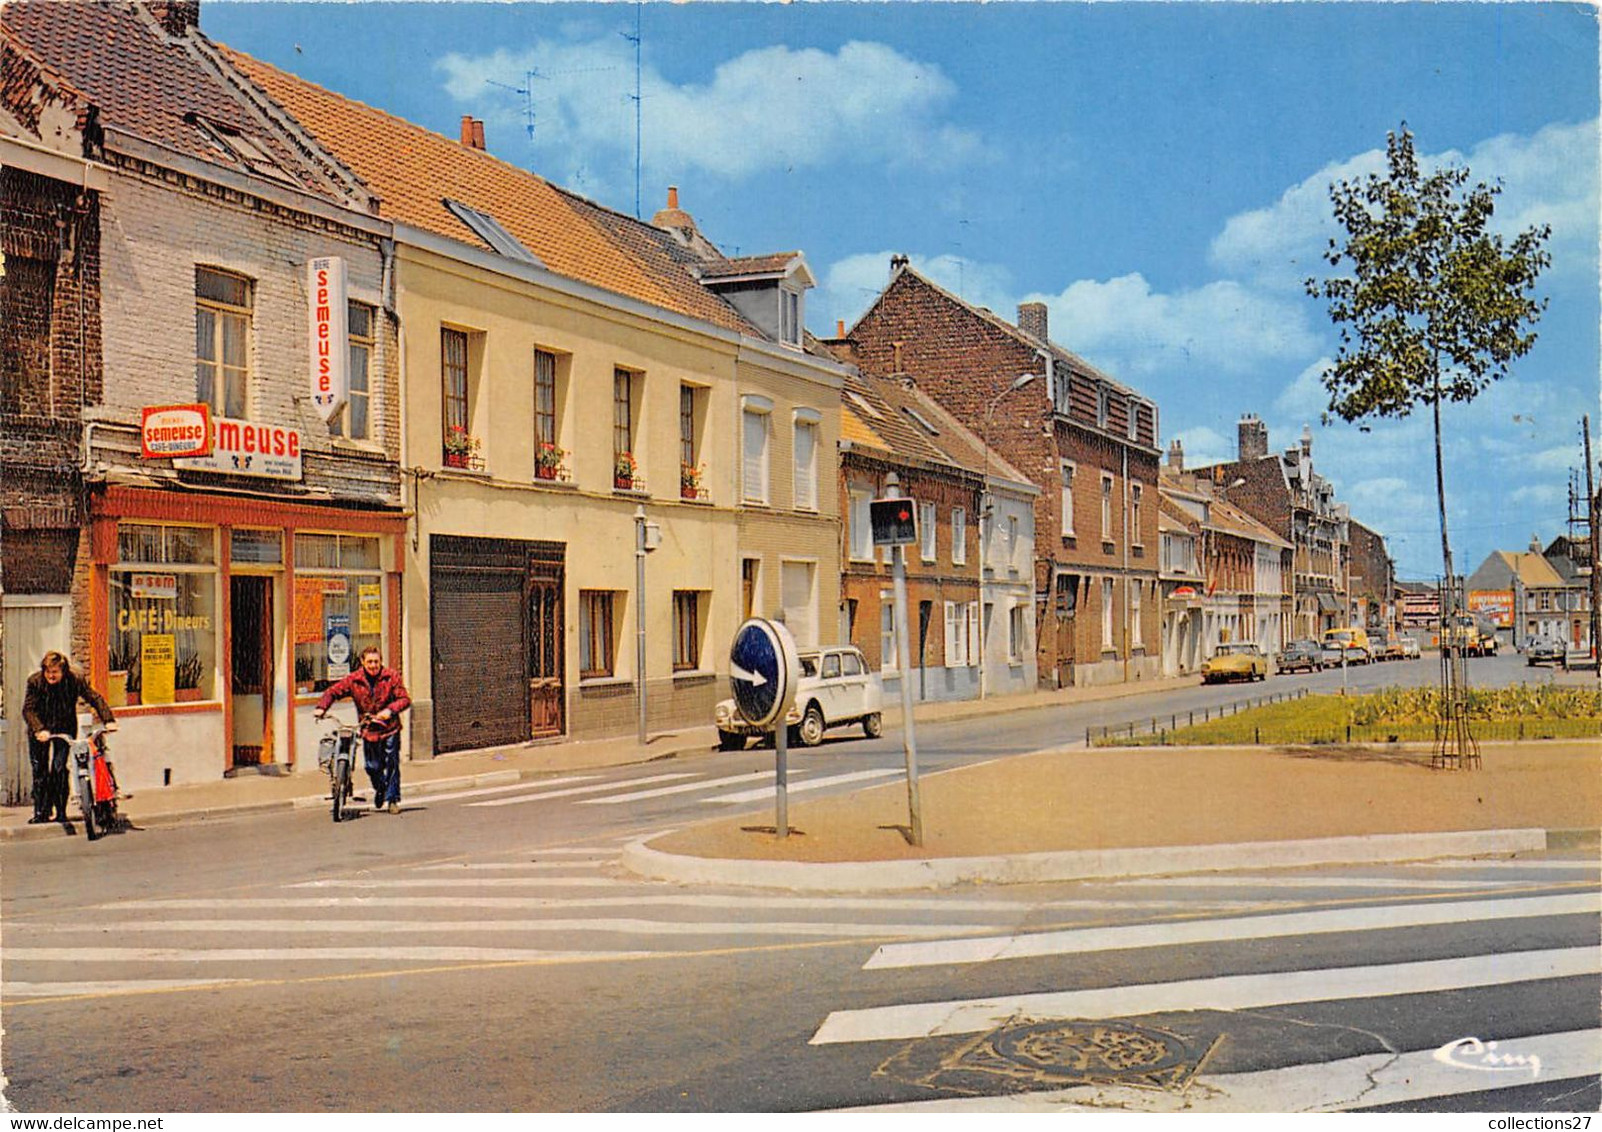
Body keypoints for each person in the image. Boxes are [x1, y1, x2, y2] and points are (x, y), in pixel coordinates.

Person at [22, 651, 117, 826]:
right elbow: (28, 709)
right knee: (40, 770)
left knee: (59, 768)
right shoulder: (35, 682)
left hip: (64, 726)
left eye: (55, 672)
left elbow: (94, 697)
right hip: (40, 728)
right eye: (48, 671)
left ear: (63, 671)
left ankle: (60, 811)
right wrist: (39, 729)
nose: (51, 675)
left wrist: (109, 720)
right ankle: (41, 812)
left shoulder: (73, 681)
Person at [314, 647, 411, 814]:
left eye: (376, 661)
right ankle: (380, 788)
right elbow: (333, 692)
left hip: (389, 728)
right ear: (363, 663)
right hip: (368, 729)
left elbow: (404, 699)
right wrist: (321, 708)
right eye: (370, 662)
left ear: (381, 662)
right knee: (371, 766)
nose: (373, 665)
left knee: (391, 763)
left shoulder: (391, 677)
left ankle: (392, 799)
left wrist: (390, 710)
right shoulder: (355, 680)